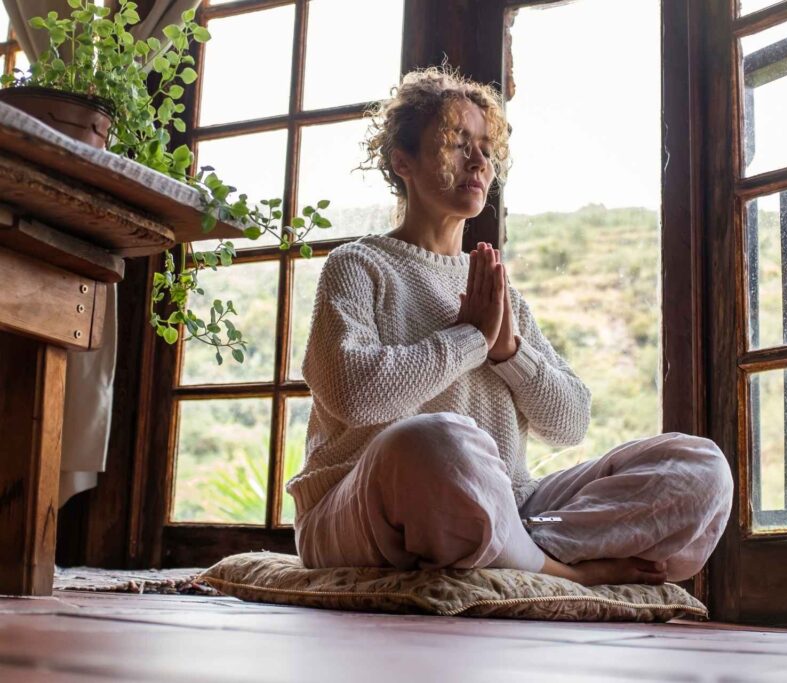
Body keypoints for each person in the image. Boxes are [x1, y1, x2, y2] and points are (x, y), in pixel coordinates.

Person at [287, 65, 733, 587]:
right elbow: (355, 396)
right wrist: (469, 339)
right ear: (401, 161)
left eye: (485, 147)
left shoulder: (500, 296)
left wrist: (508, 352)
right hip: (362, 508)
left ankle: (514, 548)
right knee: (431, 443)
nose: (479, 161)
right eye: (457, 143)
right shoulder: (359, 265)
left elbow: (571, 424)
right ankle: (561, 569)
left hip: (502, 506)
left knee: (698, 466)